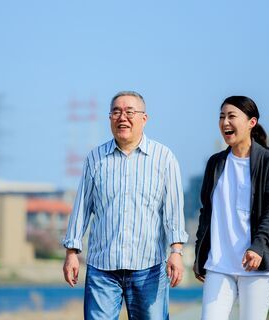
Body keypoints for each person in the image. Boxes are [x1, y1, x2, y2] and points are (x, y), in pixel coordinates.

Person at [62, 91, 188, 320]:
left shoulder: (164, 158)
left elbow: (173, 211)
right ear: (109, 118)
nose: (123, 118)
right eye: (116, 112)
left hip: (149, 268)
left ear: (144, 118)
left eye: (130, 112)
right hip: (102, 270)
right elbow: (81, 208)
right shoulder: (95, 158)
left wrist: (176, 252)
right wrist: (72, 251)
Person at [193, 95, 269, 320]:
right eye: (221, 117)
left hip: (256, 266)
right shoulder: (215, 163)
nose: (225, 122)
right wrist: (201, 253)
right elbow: (205, 211)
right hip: (219, 264)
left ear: (251, 122)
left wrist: (258, 246)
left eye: (231, 116)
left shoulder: (268, 161)